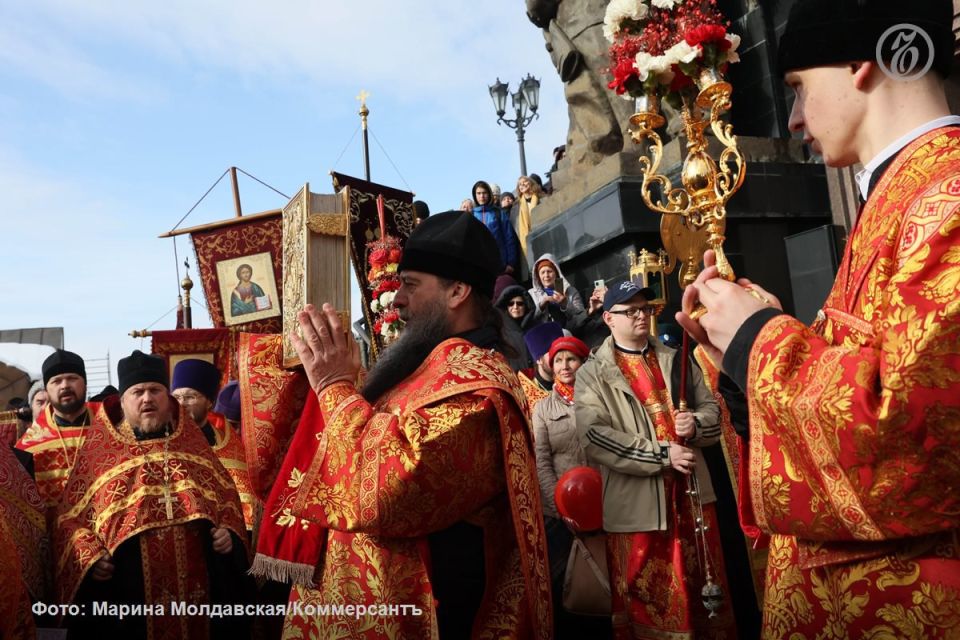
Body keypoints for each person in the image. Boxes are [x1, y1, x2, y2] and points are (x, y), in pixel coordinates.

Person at [676, 1, 960, 637]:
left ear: (860, 62)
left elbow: (913, 446)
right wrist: (740, 351)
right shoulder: (901, 192)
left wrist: (758, 340)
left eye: (799, 88)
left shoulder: (947, 191)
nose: (797, 117)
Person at [252, 211, 552, 639]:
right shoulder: (428, 371)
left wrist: (335, 387)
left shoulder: (476, 389)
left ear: (458, 291)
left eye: (410, 284)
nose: (396, 300)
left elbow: (380, 494)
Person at [54, 350, 251, 639]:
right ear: (123, 401)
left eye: (155, 390)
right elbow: (68, 519)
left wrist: (229, 534)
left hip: (199, 600)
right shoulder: (99, 455)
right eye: (138, 392)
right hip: (127, 602)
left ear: (168, 400)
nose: (147, 398)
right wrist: (91, 556)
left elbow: (227, 502)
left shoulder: (194, 448)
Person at [577, 281, 735, 638]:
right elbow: (595, 436)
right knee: (653, 604)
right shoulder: (593, 373)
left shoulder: (675, 357)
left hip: (692, 500)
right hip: (640, 510)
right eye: (629, 310)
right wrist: (662, 454)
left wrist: (695, 426)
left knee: (705, 597)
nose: (640, 316)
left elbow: (713, 410)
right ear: (608, 319)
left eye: (645, 309)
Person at [17, 350, 116, 511]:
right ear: (47, 390)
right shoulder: (28, 447)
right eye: (56, 381)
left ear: (85, 383)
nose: (65, 385)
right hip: (54, 533)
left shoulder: (112, 424)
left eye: (72, 378)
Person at [172, 359, 258, 532]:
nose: (181, 404)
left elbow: (243, 501)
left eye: (190, 397)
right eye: (176, 397)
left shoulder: (225, 444)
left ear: (209, 402)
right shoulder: (163, 439)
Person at [529, 253, 588, 331]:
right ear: (538, 276)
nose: (546, 275)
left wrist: (565, 304)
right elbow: (529, 320)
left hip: (569, 334)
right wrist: (542, 304)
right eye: (542, 272)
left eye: (549, 271)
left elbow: (582, 317)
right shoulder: (531, 294)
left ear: (556, 273)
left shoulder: (570, 291)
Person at [471, 179, 518, 274]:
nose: (482, 196)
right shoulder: (471, 215)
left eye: (484, 193)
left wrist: (511, 263)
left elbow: (509, 238)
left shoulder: (498, 213)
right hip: (480, 267)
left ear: (489, 194)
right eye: (479, 193)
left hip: (501, 265)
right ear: (475, 195)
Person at [519, 321, 564, 415]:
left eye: (562, 352)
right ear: (539, 360)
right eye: (553, 354)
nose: (561, 360)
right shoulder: (525, 393)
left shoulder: (576, 381)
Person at [494, 274, 536, 371]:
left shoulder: (536, 327)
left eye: (520, 303)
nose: (515, 307)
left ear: (526, 306)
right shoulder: (500, 332)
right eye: (511, 303)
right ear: (506, 307)